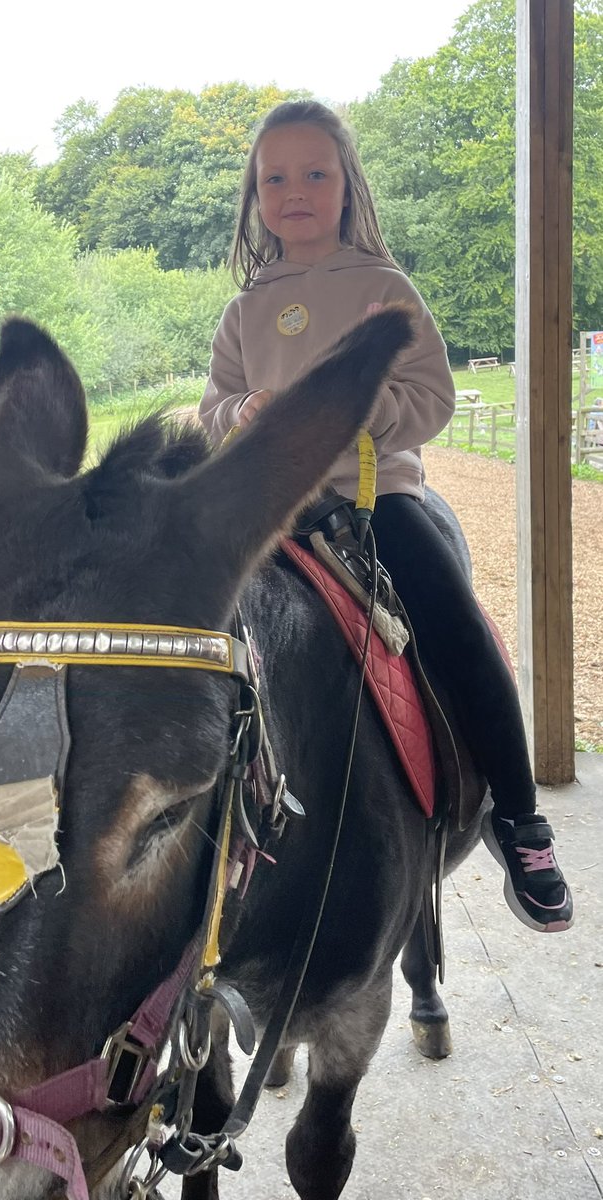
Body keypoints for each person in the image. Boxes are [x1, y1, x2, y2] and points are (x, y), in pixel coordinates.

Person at [199, 99, 573, 933]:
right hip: (268, 504)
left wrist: (350, 409)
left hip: (373, 497)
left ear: (346, 186)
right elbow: (212, 406)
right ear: (256, 197)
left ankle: (520, 820)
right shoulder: (244, 309)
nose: (295, 190)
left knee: (452, 617)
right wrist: (243, 413)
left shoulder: (381, 287)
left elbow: (431, 398)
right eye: (275, 177)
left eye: (316, 173)